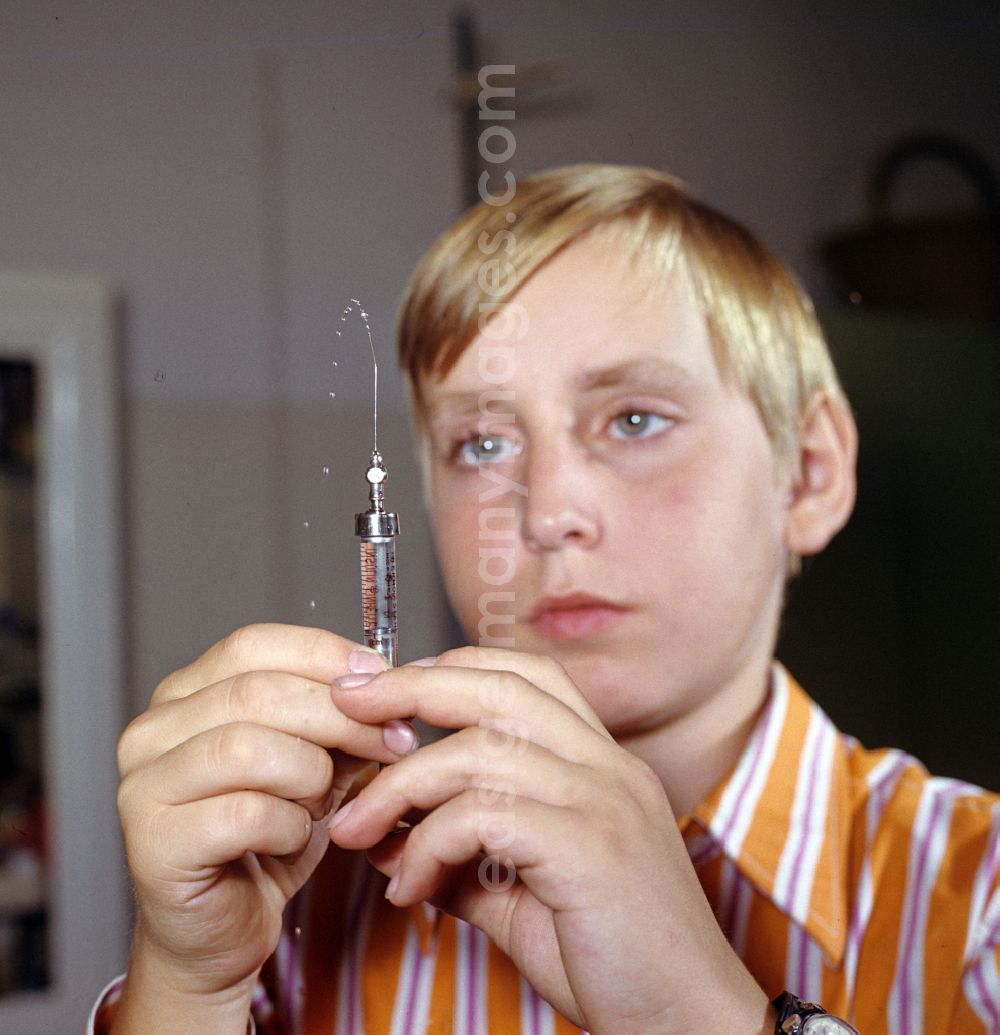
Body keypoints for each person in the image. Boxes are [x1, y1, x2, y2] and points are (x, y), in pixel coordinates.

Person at [91, 164, 1000, 1034]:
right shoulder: (303, 912)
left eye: (636, 419)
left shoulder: (980, 909)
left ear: (808, 472)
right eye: (482, 444)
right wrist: (187, 985)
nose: (548, 513)